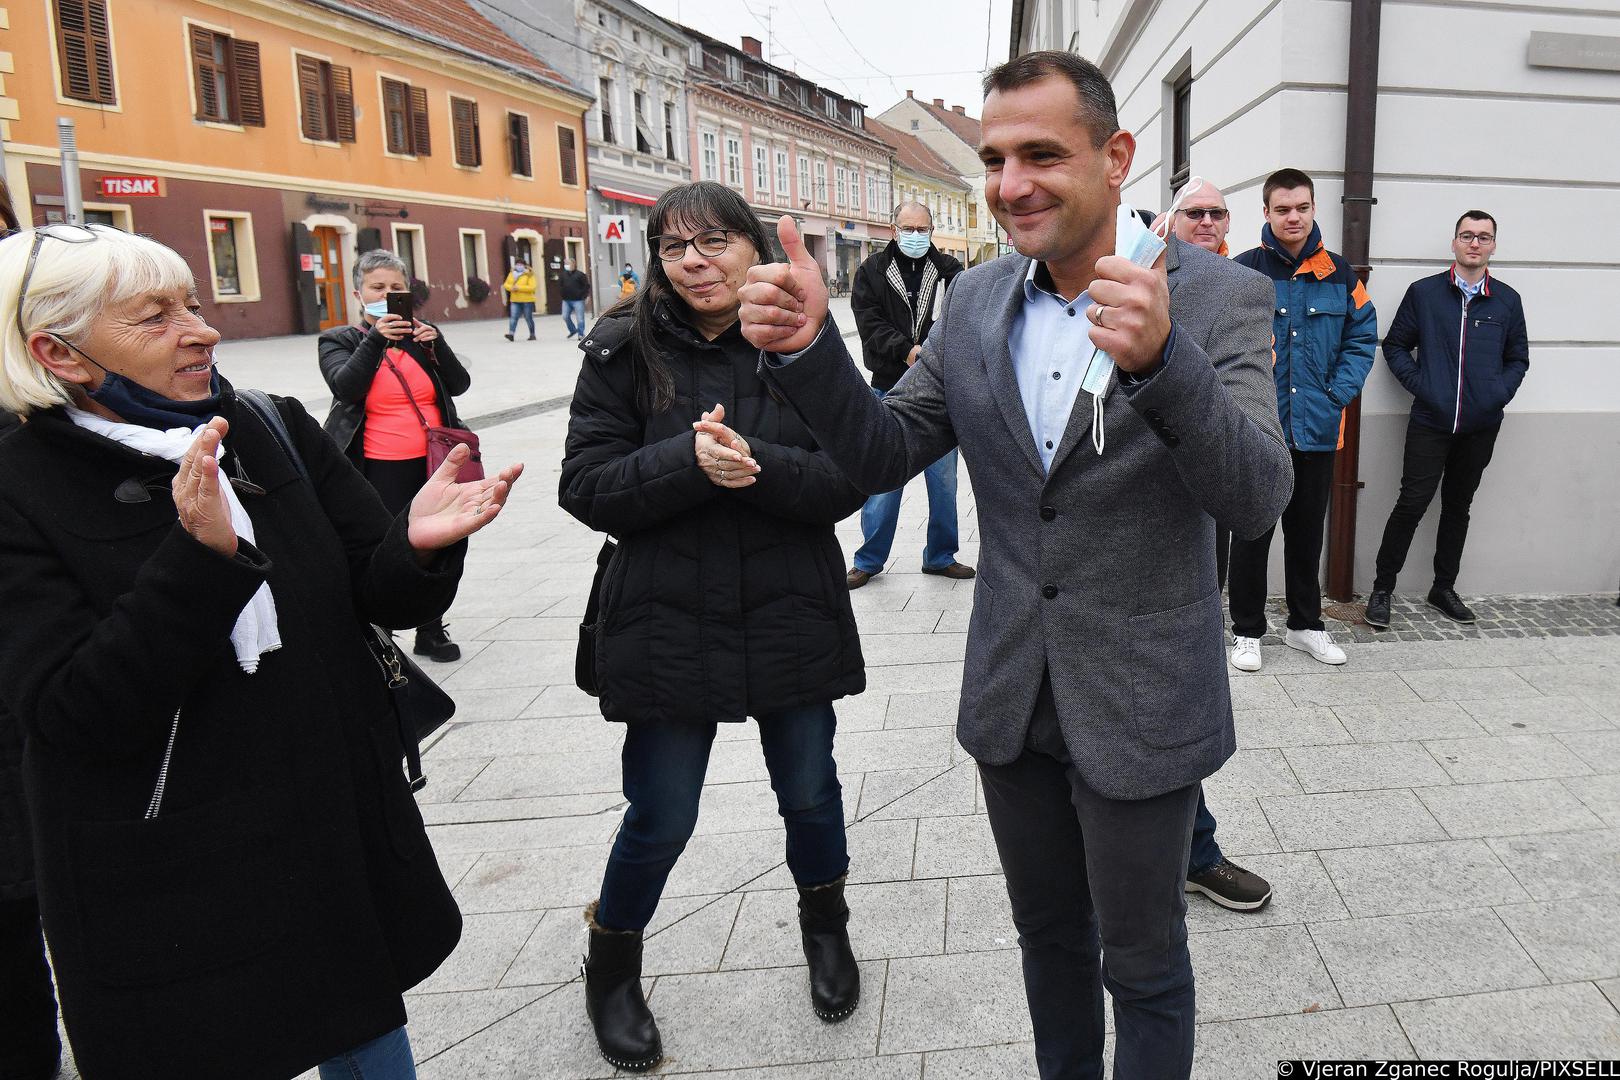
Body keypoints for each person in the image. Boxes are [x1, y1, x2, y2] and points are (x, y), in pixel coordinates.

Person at [735, 52, 1292, 1080]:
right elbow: (885, 453)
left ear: (1115, 157)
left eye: (1042, 154)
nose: (1011, 183)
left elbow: (1257, 496)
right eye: (995, 159)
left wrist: (1165, 363)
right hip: (1011, 692)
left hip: (1141, 696)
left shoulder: (1220, 297)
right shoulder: (977, 300)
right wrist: (813, 349)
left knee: (1145, 965)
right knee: (1049, 944)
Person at [0, 223, 523, 1080]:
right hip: (174, 874)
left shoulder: (265, 425)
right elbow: (74, 713)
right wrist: (198, 561)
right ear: (57, 353)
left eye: (193, 304)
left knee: (366, 1042)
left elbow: (375, 592)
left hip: (328, 832)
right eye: (156, 316)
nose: (201, 330)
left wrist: (416, 544)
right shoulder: (18, 483)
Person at [560, 181, 867, 1073]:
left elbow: (851, 474)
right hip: (666, 613)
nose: (693, 262)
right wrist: (688, 461)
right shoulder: (621, 348)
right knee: (661, 812)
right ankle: (612, 965)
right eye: (673, 247)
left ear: (753, 247)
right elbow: (584, 485)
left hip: (787, 606)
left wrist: (756, 463)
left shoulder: (800, 338)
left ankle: (827, 929)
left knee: (809, 791)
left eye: (713, 242)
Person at [1152, 178, 1275, 915]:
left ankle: (1195, 854)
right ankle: (1187, 852)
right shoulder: (1136, 274)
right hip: (1135, 525)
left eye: (1215, 212)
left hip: (1228, 477)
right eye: (1192, 212)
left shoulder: (1239, 285)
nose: (1204, 221)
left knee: (1170, 709)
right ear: (1169, 221)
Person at [1227, 168, 1376, 673]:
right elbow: (1223, 342)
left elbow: (1362, 338)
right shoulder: (1244, 273)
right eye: (1283, 209)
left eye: (1302, 208)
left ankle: (1305, 625)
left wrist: (1336, 395)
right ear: (1266, 213)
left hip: (1317, 428)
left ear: (1313, 209)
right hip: (1259, 430)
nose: (1294, 217)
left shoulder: (1341, 275)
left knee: (1307, 533)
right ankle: (1247, 630)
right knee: (1253, 532)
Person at [1365, 211, 1528, 629]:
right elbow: (1395, 346)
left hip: (1480, 424)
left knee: (1458, 506)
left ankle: (1443, 588)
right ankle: (1382, 589)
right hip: (1431, 420)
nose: (1475, 243)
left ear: (1493, 246)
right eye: (1467, 235)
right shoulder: (1425, 294)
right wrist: (1425, 387)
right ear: (1454, 242)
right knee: (1412, 503)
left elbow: (1517, 358)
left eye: (1483, 237)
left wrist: (1495, 394)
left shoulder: (1507, 300)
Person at [319, 249, 473, 663]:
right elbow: (345, 387)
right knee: (382, 547)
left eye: (396, 287)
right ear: (358, 294)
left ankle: (430, 629)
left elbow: (459, 385)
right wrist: (376, 338)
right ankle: (380, 632)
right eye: (377, 287)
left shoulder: (422, 337)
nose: (387, 294)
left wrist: (437, 345)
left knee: (436, 542)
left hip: (432, 463)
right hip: (375, 466)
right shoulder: (339, 340)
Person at [845, 200, 973, 588]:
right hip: (888, 386)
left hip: (938, 389)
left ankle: (940, 555)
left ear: (931, 231)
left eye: (922, 230)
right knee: (883, 478)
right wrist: (907, 351)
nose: (916, 236)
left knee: (944, 479)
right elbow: (869, 324)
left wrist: (932, 355)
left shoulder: (949, 271)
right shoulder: (872, 271)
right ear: (894, 230)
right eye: (909, 229)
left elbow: (960, 320)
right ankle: (869, 559)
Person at [503, 259, 538, 341]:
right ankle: (511, 334)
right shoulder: (511, 274)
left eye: (521, 265)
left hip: (527, 300)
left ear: (525, 266)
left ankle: (532, 334)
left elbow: (532, 287)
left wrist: (519, 288)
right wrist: (511, 288)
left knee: (528, 318)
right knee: (513, 317)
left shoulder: (529, 274)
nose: (519, 266)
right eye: (517, 264)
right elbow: (506, 284)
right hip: (515, 300)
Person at [558, 258, 591, 340]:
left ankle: (581, 334)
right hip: (566, 300)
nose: (567, 265)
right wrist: (562, 294)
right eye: (566, 264)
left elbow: (586, 286)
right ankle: (573, 330)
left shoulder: (580, 275)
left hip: (578, 300)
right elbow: (560, 285)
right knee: (565, 316)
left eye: (568, 264)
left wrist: (585, 296)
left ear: (573, 264)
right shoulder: (563, 275)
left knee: (580, 318)